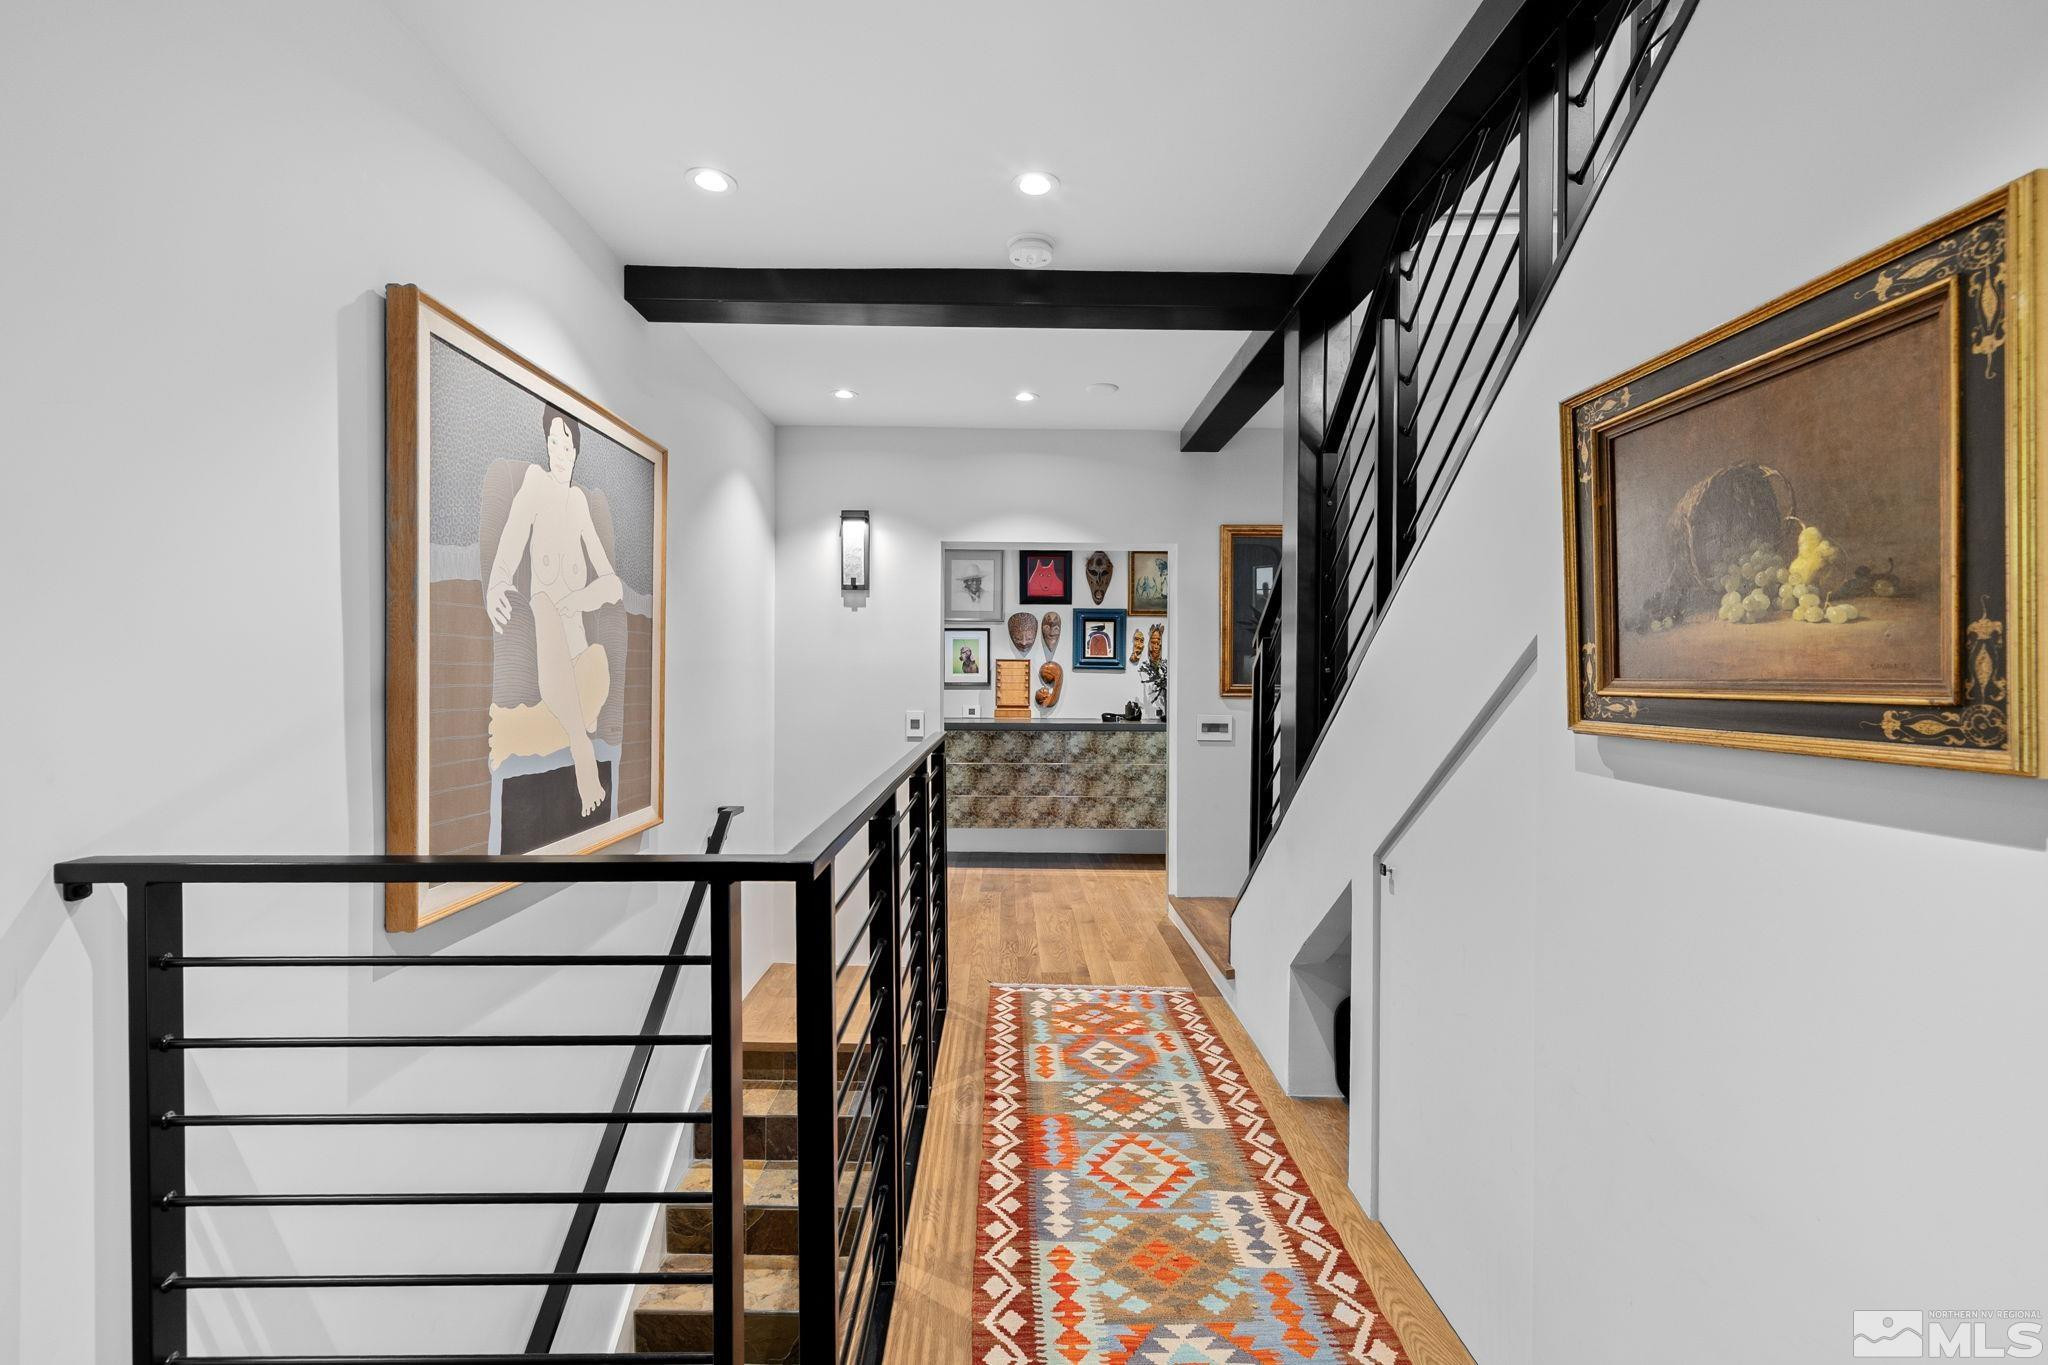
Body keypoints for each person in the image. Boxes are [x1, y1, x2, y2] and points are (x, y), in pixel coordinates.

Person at [484, 405, 623, 817]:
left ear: (577, 452)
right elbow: (510, 540)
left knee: (597, 660)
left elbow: (612, 584)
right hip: (548, 645)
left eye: (567, 445)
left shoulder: (579, 504)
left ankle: (555, 726)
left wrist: (577, 601)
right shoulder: (534, 485)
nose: (560, 453)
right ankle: (583, 754)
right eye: (553, 443)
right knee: (543, 604)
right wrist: (496, 584)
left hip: (579, 659)